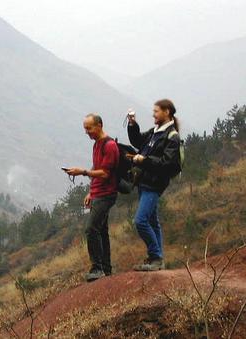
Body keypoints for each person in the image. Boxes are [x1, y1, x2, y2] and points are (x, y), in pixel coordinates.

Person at [127, 99, 182, 271]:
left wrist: (144, 160)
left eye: (156, 111)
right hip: (144, 181)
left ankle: (155, 257)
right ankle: (158, 260)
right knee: (153, 221)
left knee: (140, 221)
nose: (153, 114)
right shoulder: (155, 132)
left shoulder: (172, 136)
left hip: (154, 184)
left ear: (167, 112)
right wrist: (132, 124)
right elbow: (138, 142)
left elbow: (167, 163)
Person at [64, 113, 119, 281]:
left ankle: (97, 268)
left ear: (99, 125)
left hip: (107, 194)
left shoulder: (109, 146)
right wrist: (91, 192)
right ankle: (106, 270)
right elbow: (97, 168)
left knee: (92, 229)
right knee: (102, 231)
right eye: (85, 129)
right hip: (98, 193)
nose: (87, 132)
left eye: (89, 128)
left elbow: (104, 173)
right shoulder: (96, 144)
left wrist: (82, 172)